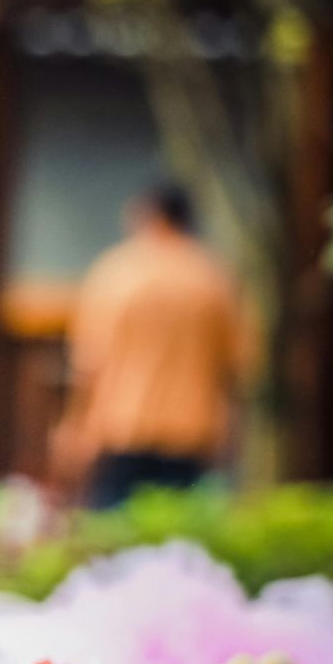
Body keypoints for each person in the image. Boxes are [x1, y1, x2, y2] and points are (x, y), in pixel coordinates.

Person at [55, 182, 250, 509]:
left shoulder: (117, 273)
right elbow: (237, 364)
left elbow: (88, 362)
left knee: (113, 535)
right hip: (194, 429)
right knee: (179, 539)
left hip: (122, 425)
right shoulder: (213, 277)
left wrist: (74, 426)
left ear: (150, 215)